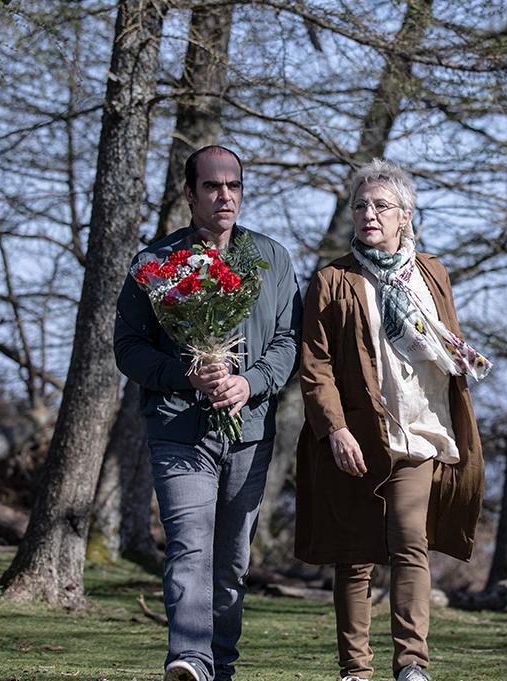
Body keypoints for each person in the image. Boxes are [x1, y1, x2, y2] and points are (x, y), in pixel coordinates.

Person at [295, 159, 489, 681]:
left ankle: (411, 665)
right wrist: (334, 429)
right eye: (360, 205)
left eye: (381, 206)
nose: (369, 214)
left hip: (419, 431)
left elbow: (446, 341)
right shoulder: (333, 280)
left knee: (410, 542)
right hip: (357, 436)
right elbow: (315, 365)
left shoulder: (431, 273)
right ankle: (355, 670)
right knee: (354, 554)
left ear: (406, 215)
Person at [114, 145, 302, 681]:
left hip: (250, 431)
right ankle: (190, 659)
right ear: (188, 193)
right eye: (212, 186)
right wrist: (185, 375)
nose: (225, 196)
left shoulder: (271, 258)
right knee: (189, 546)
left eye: (233, 186)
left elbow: (289, 340)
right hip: (179, 428)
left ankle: (220, 666)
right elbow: (128, 348)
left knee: (232, 561)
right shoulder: (154, 264)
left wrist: (249, 383)